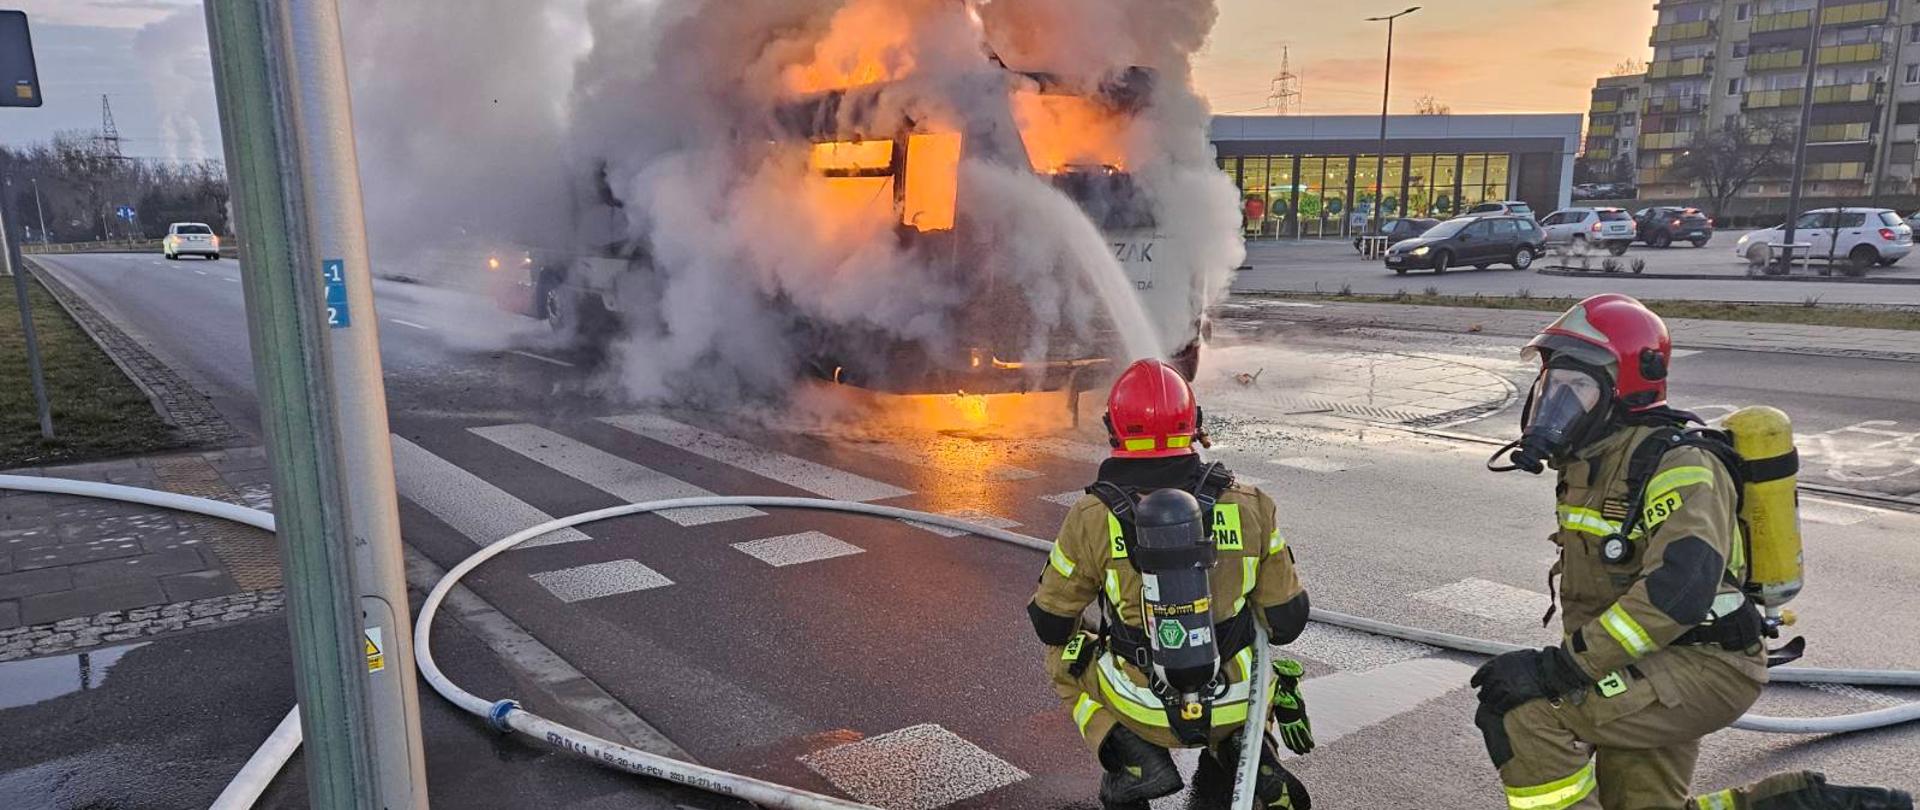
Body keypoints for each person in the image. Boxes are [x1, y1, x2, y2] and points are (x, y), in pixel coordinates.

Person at [1473, 294, 1912, 810]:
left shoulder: (1680, 464)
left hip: (1701, 665)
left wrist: (1561, 669)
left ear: (1627, 388)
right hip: (1645, 660)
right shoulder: (1594, 460)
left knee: (1526, 712)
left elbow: (1676, 591)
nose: (1558, 403)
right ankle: (1800, 805)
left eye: (1578, 387)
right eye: (1553, 386)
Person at [1028, 359, 1315, 809]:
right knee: (1252, 651)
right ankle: (1250, 749)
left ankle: (1133, 756)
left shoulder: (1091, 517)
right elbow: (1286, 621)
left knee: (1060, 657)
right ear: (1195, 424)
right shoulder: (1250, 502)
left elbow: (1050, 622)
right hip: (1234, 698)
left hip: (1141, 706)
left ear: (1114, 429)